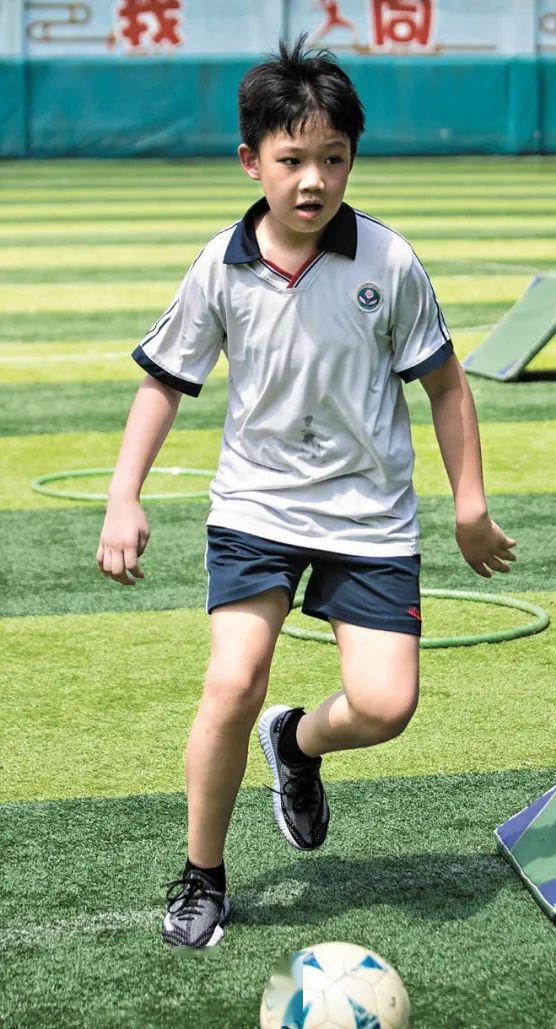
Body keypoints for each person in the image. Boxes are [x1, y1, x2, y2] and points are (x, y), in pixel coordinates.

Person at [96, 37, 516, 948]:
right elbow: (162, 381)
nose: (314, 180)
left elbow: (446, 383)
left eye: (333, 158)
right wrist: (123, 497)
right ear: (252, 162)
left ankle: (298, 743)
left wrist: (469, 503)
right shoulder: (221, 265)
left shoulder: (389, 262)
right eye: (292, 161)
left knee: (385, 705)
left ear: (352, 159)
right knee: (232, 679)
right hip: (256, 509)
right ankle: (203, 873)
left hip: (369, 516)